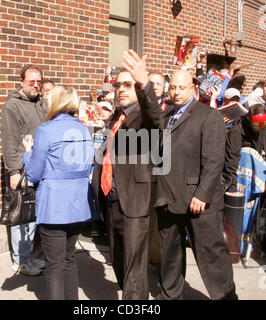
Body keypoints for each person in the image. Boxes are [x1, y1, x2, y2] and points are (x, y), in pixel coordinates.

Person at [124, 52, 237, 300]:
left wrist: (202, 194)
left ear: (193, 88)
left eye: (181, 87)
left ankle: (226, 297)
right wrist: (143, 84)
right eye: (172, 87)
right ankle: (170, 295)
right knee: (170, 256)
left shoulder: (209, 116)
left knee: (211, 255)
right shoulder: (166, 115)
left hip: (199, 202)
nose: (176, 92)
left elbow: (214, 160)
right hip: (168, 199)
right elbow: (152, 114)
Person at [92, 62, 160, 299]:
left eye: (128, 84)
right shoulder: (117, 116)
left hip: (134, 201)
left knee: (134, 272)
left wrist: (145, 85)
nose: (121, 89)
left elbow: (156, 119)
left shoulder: (143, 117)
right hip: (111, 199)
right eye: (118, 84)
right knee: (119, 262)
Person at [23, 85, 94, 300]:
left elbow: (34, 173)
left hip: (54, 205)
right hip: (79, 204)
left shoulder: (46, 130)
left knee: (54, 265)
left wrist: (27, 153)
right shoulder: (84, 129)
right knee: (69, 259)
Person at [1, 64, 48, 276]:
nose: (36, 85)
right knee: (22, 217)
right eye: (31, 81)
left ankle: (29, 257)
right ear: (22, 82)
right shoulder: (12, 106)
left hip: (39, 167)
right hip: (22, 168)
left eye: (39, 81)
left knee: (33, 216)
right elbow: (9, 140)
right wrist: (13, 171)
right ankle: (21, 261)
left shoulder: (41, 103)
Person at [223, 104, 266, 193]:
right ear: (249, 119)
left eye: (263, 124)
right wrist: (232, 186)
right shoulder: (237, 131)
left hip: (263, 175)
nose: (259, 127)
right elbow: (232, 159)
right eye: (256, 124)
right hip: (242, 175)